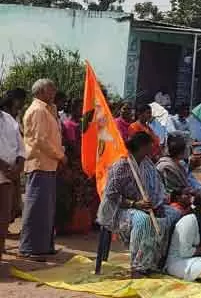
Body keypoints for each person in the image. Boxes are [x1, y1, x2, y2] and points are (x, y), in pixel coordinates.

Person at [97, 132, 181, 276]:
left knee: (175, 214)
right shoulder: (122, 165)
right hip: (119, 210)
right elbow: (111, 195)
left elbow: (156, 186)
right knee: (143, 221)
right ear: (142, 146)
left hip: (147, 206)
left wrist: (157, 204)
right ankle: (138, 266)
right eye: (150, 145)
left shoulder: (147, 163)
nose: (153, 148)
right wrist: (135, 204)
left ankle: (157, 261)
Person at [19, 79, 66, 260]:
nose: (53, 93)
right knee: (36, 207)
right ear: (40, 92)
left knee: (46, 208)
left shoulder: (47, 109)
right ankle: (30, 248)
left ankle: (43, 246)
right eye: (50, 90)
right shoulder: (38, 110)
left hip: (48, 164)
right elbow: (41, 140)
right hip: (40, 163)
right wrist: (60, 156)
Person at [56, 99, 98, 235]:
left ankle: (81, 224)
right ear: (73, 109)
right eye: (80, 108)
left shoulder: (82, 126)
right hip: (73, 165)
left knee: (83, 196)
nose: (82, 111)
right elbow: (73, 147)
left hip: (83, 165)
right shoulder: (69, 125)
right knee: (72, 195)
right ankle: (68, 226)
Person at [0, 90, 26, 266]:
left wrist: (18, 167)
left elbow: (21, 147)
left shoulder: (9, 120)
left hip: (7, 178)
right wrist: (3, 166)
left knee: (3, 218)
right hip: (4, 170)